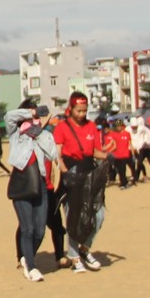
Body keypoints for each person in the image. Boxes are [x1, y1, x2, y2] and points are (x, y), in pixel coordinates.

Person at [51, 93, 109, 269]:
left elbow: (94, 152)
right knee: (73, 216)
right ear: (71, 109)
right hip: (71, 173)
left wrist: (108, 157)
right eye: (79, 111)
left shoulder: (91, 126)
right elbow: (57, 155)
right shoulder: (62, 127)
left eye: (85, 110)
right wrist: (65, 173)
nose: (82, 114)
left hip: (89, 172)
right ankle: (74, 256)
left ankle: (85, 248)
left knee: (98, 214)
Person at [4, 104, 57, 281]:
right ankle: (31, 267)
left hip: (40, 184)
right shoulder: (16, 134)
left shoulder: (44, 134)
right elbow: (9, 116)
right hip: (21, 184)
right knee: (28, 228)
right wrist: (30, 114)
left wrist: (38, 132)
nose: (32, 120)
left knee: (40, 230)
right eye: (29, 115)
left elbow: (52, 154)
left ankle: (27, 258)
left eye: (35, 117)